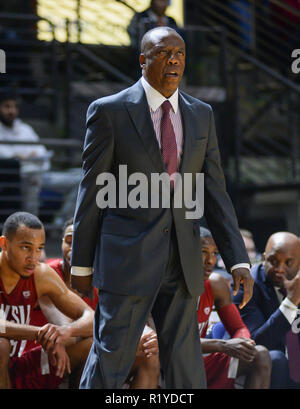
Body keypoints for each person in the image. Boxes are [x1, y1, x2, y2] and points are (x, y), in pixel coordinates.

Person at [71, 26, 253, 389]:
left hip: (182, 260)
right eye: (163, 52)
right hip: (127, 260)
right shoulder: (110, 111)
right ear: (143, 60)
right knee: (110, 361)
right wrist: (81, 262)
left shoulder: (201, 114)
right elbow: (91, 192)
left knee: (186, 369)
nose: (173, 60)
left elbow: (215, 192)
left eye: (180, 54)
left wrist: (238, 259)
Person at [48, 217, 160, 389]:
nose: (75, 248)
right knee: (95, 345)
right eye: (69, 241)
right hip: (51, 351)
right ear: (61, 242)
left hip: (93, 347)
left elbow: (126, 321)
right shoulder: (48, 273)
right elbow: (67, 336)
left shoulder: (106, 277)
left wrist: (147, 335)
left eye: (82, 242)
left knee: (149, 353)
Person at [0, 212, 94, 389]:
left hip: (18, 363)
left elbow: (90, 316)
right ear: (4, 244)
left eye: (39, 248)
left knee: (91, 346)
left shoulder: (40, 274)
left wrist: (63, 332)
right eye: (26, 247)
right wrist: (41, 335)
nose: (33, 257)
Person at [198, 227, 271, 389]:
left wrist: (244, 341)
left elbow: (238, 327)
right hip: (174, 361)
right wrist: (223, 345)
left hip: (203, 359)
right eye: (203, 252)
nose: (210, 261)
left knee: (260, 354)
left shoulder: (216, 284)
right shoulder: (168, 288)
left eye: (215, 253)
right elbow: (173, 342)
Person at [233, 231, 300, 388]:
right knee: (277, 359)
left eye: (288, 263)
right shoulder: (247, 286)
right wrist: (290, 302)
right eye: (273, 261)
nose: (280, 269)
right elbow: (257, 343)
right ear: (263, 259)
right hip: (259, 364)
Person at [0, 92, 51, 215]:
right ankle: (30, 227)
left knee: (78, 178)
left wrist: (25, 157)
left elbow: (42, 152)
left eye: (15, 107)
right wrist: (28, 157)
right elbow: (6, 156)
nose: (12, 111)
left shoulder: (25, 128)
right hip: (18, 177)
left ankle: (60, 222)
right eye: (7, 107)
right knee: (32, 177)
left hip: (41, 173)